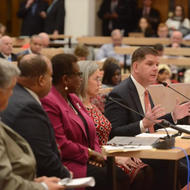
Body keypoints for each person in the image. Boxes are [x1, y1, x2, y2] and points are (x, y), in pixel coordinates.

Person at [41, 53, 130, 190]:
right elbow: (61, 144)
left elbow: (91, 132)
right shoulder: (50, 102)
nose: (81, 79)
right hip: (69, 162)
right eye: (78, 74)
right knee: (115, 177)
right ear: (65, 79)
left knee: (122, 174)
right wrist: (91, 155)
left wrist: (98, 155)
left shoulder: (73, 98)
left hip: (89, 158)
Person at [104, 46, 190, 189]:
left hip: (151, 147)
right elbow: (113, 133)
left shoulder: (144, 90)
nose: (156, 68)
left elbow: (152, 124)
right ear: (136, 66)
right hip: (134, 151)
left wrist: (174, 116)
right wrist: (143, 124)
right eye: (150, 64)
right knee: (179, 167)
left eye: (156, 64)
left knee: (184, 162)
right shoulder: (119, 94)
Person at [78, 60, 153, 190]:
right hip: (96, 157)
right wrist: (113, 157)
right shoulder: (76, 107)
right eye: (96, 79)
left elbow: (107, 135)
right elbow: (86, 143)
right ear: (83, 80)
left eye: (100, 79)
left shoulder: (94, 104)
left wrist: (123, 152)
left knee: (146, 170)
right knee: (134, 174)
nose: (99, 83)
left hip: (109, 150)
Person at [1, 54, 71, 179]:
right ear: (41, 80)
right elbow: (43, 157)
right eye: (51, 76)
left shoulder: (17, 95)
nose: (52, 80)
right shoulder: (28, 107)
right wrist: (66, 177)